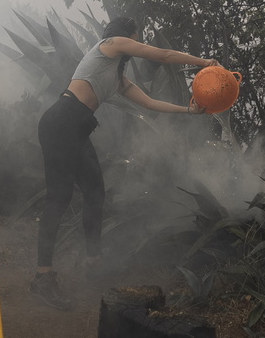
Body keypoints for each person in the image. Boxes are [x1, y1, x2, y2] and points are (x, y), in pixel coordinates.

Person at [29, 16, 221, 310]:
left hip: (76, 128)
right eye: (138, 35)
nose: (138, 41)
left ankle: (94, 263)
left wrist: (188, 110)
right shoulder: (110, 44)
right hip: (61, 122)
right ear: (127, 34)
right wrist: (205, 62)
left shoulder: (117, 78)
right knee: (59, 198)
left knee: (95, 193)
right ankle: (43, 278)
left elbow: (149, 103)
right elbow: (164, 55)